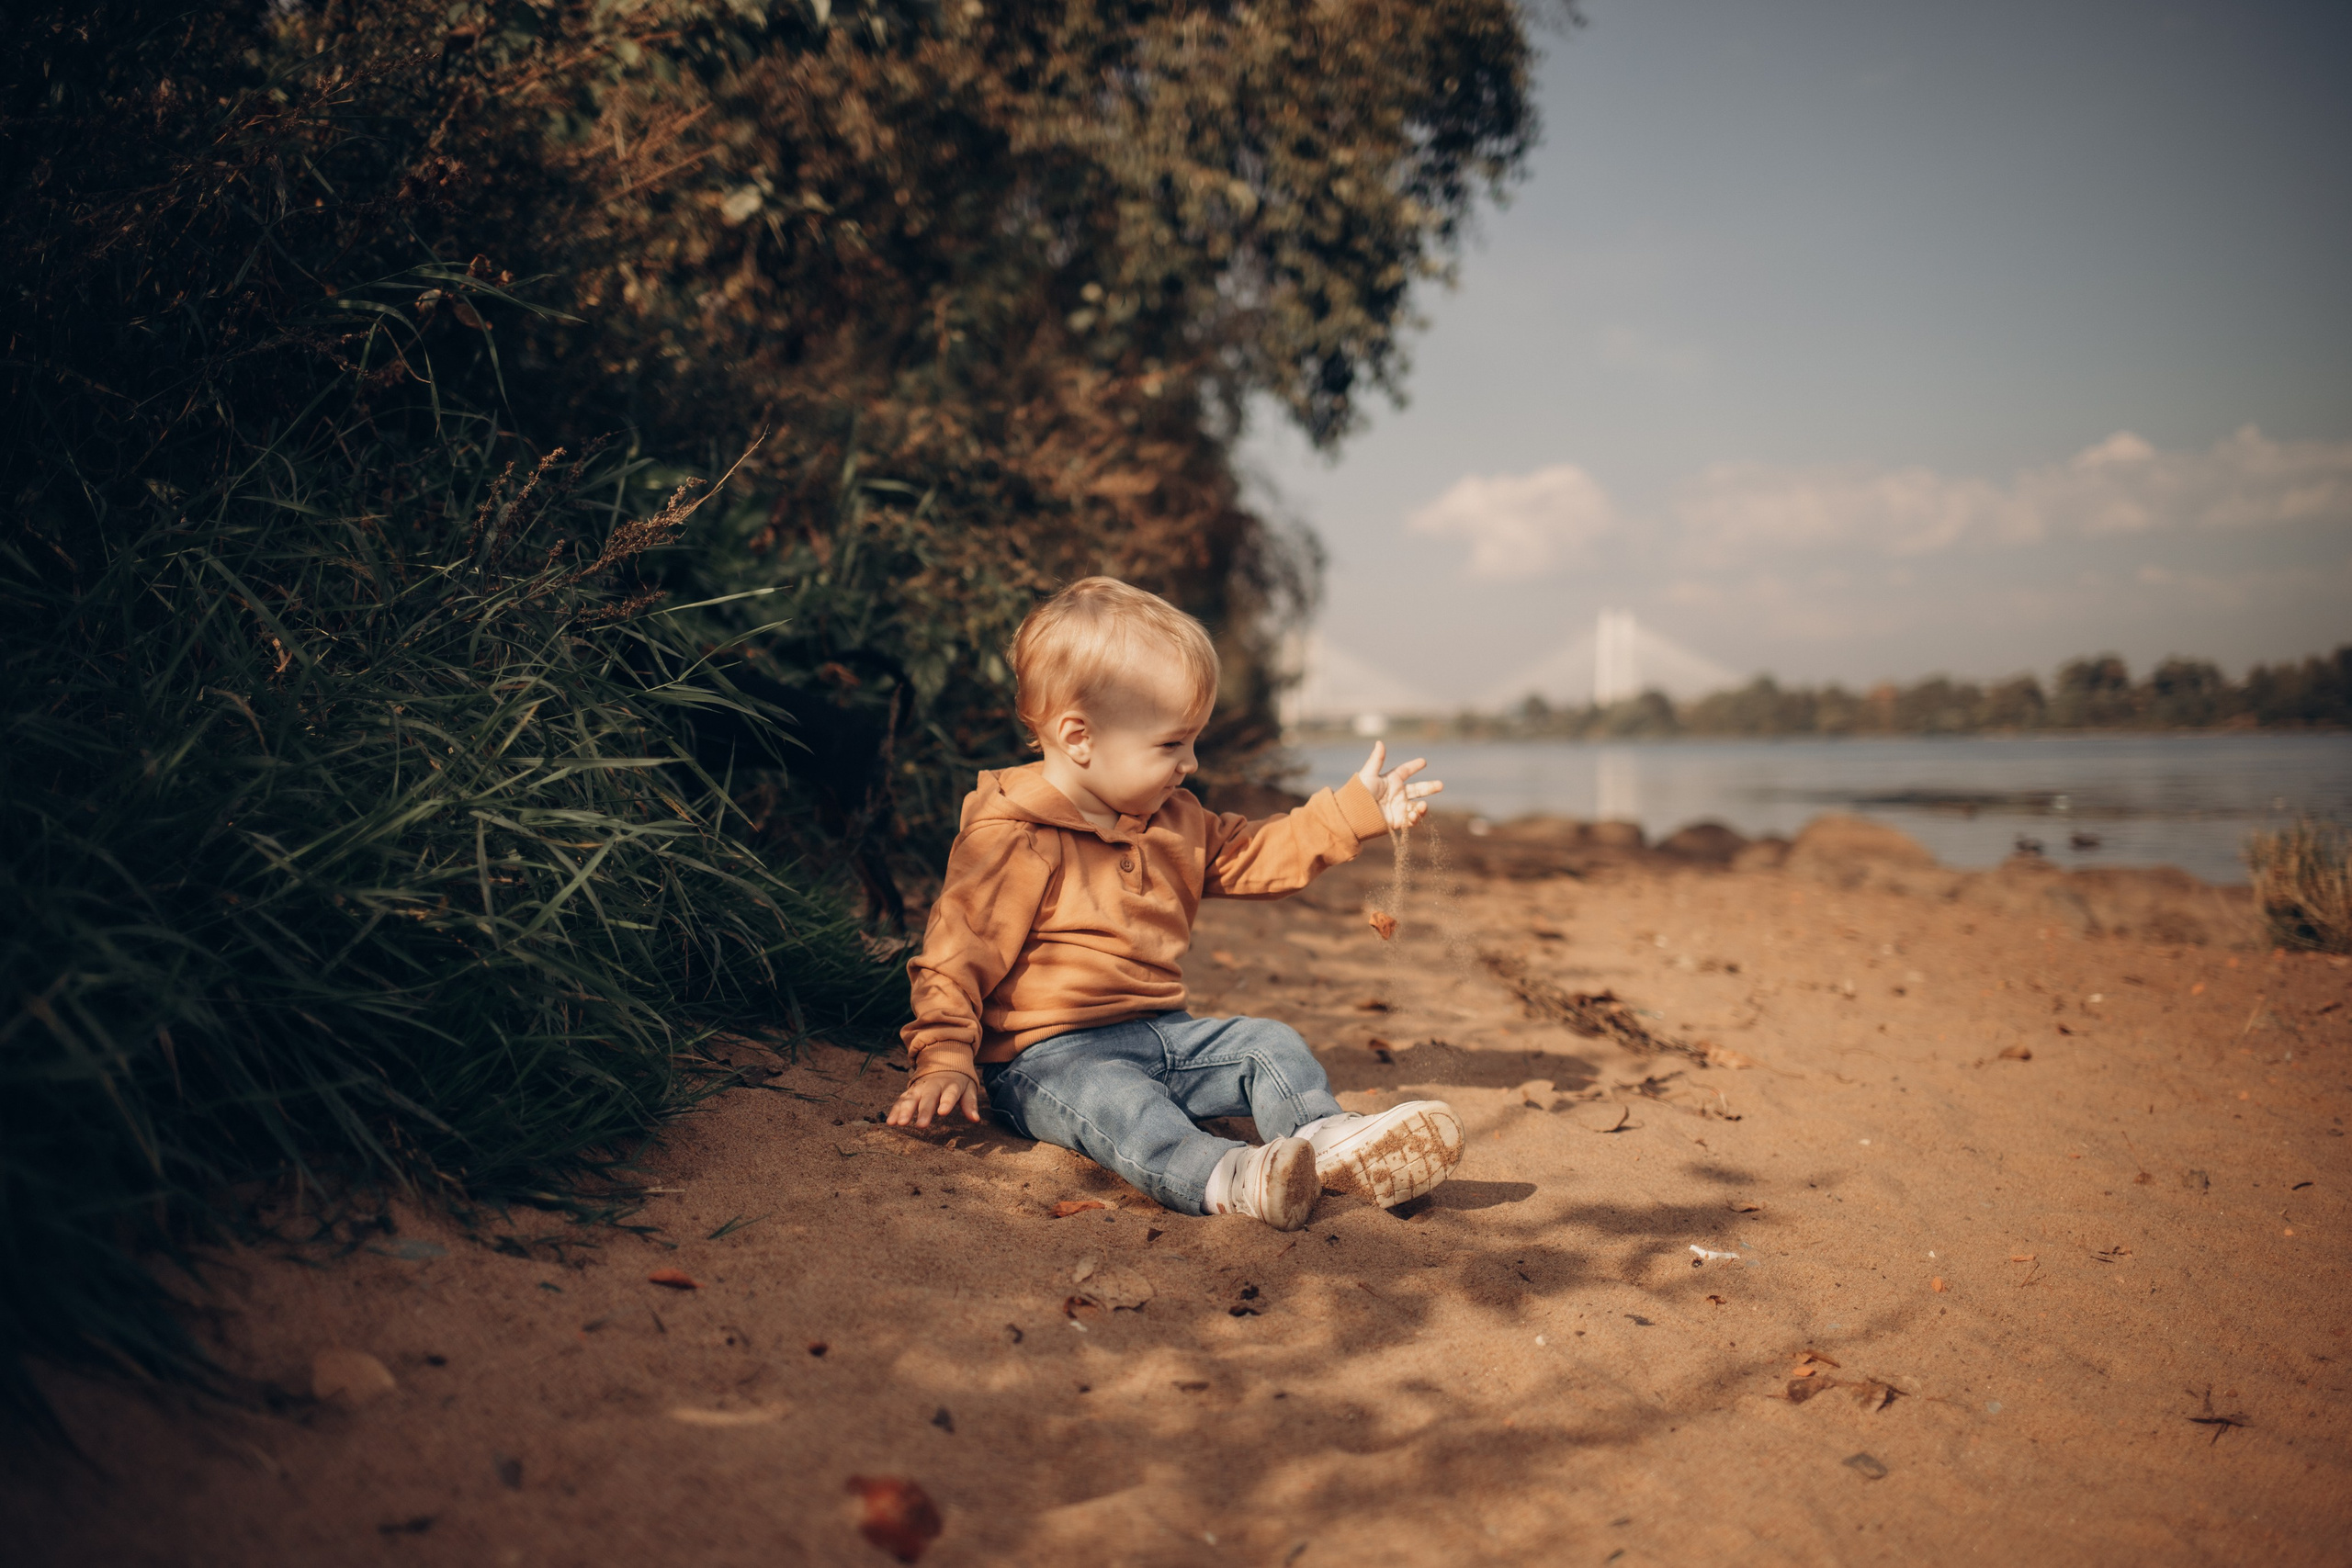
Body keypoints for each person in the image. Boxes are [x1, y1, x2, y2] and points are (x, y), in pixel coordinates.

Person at [886, 576, 1464, 1230]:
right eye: (1170, 743)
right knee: (1122, 1106)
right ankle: (1227, 1176)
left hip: (1165, 1030)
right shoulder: (1014, 834)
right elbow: (956, 955)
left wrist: (1356, 812)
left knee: (1267, 1043)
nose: (1189, 762)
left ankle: (1326, 1141)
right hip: (1047, 1055)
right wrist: (943, 1056)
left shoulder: (1174, 817)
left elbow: (1256, 854)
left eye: (1193, 741)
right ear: (1079, 737)